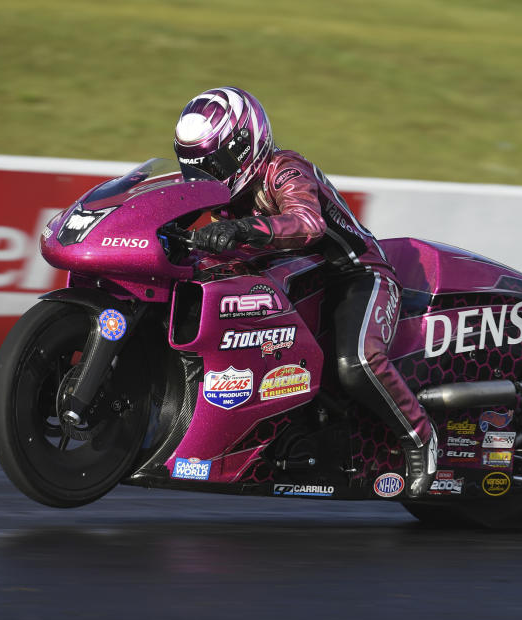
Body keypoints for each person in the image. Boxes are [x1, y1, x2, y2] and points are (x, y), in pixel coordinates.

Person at [174, 87, 437, 498]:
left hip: (354, 274)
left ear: (245, 143)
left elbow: (306, 223)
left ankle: (421, 439)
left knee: (358, 362)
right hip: (296, 280)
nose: (205, 176)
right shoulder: (221, 192)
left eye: (214, 163)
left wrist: (243, 228)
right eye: (196, 167)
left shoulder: (285, 168)